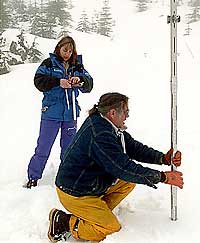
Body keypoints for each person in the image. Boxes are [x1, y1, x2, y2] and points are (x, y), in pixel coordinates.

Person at [47, 92, 184, 242]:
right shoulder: (100, 134)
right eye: (126, 112)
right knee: (110, 228)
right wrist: (162, 177)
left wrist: (162, 158)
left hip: (90, 185)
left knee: (128, 182)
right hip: (75, 192)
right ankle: (64, 222)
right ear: (113, 113)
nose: (127, 116)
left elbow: (133, 147)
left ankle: (97, 213)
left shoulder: (105, 123)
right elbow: (122, 168)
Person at [25, 36, 93, 189]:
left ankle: (66, 178)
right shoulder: (48, 63)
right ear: (58, 48)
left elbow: (89, 84)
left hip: (71, 115)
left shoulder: (77, 66)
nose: (67, 53)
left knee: (69, 149)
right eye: (64, 50)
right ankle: (33, 177)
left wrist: (79, 80)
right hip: (50, 114)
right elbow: (38, 81)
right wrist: (58, 82)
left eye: (70, 50)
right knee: (43, 147)